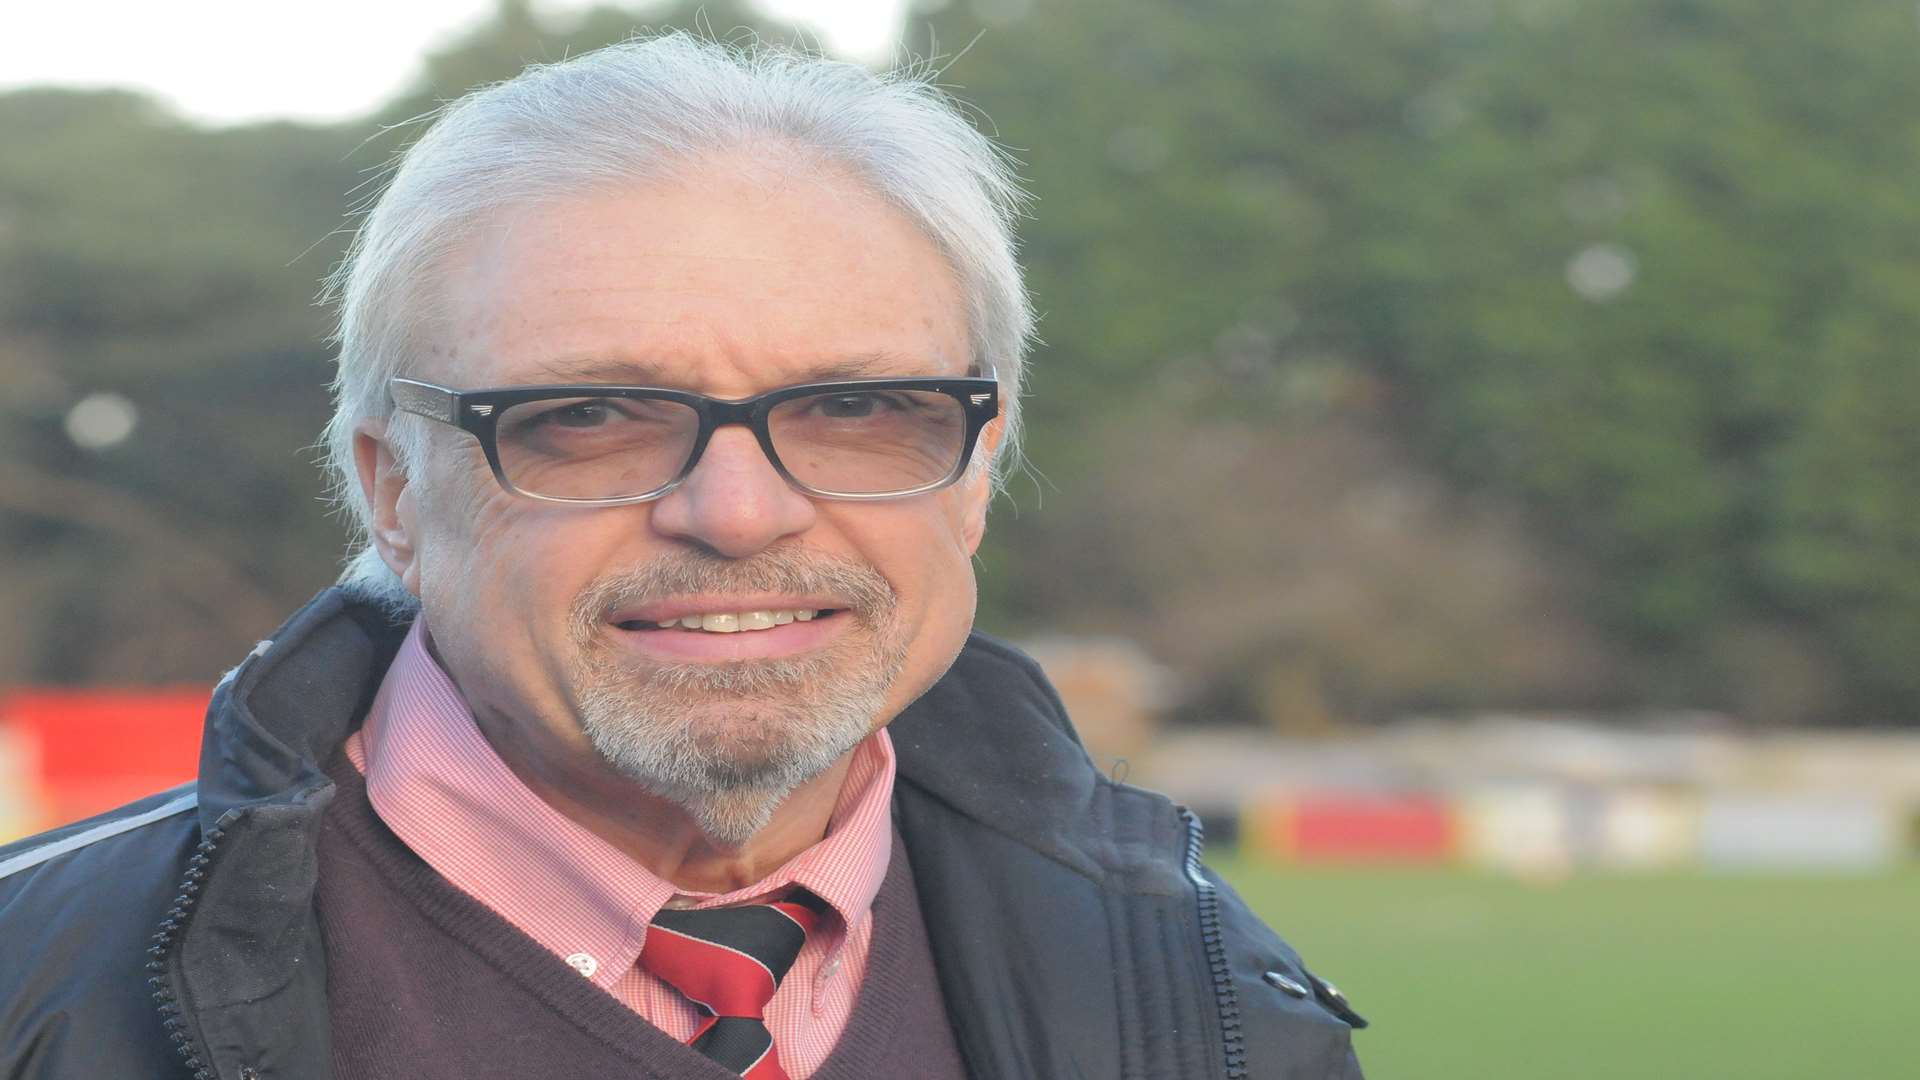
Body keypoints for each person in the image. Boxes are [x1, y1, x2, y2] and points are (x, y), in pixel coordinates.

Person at [0, 34, 1365, 1080]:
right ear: (393, 493)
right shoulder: (40, 1000)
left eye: (855, 409)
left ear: (976, 475)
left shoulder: (1225, 1008)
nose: (738, 512)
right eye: (589, 417)